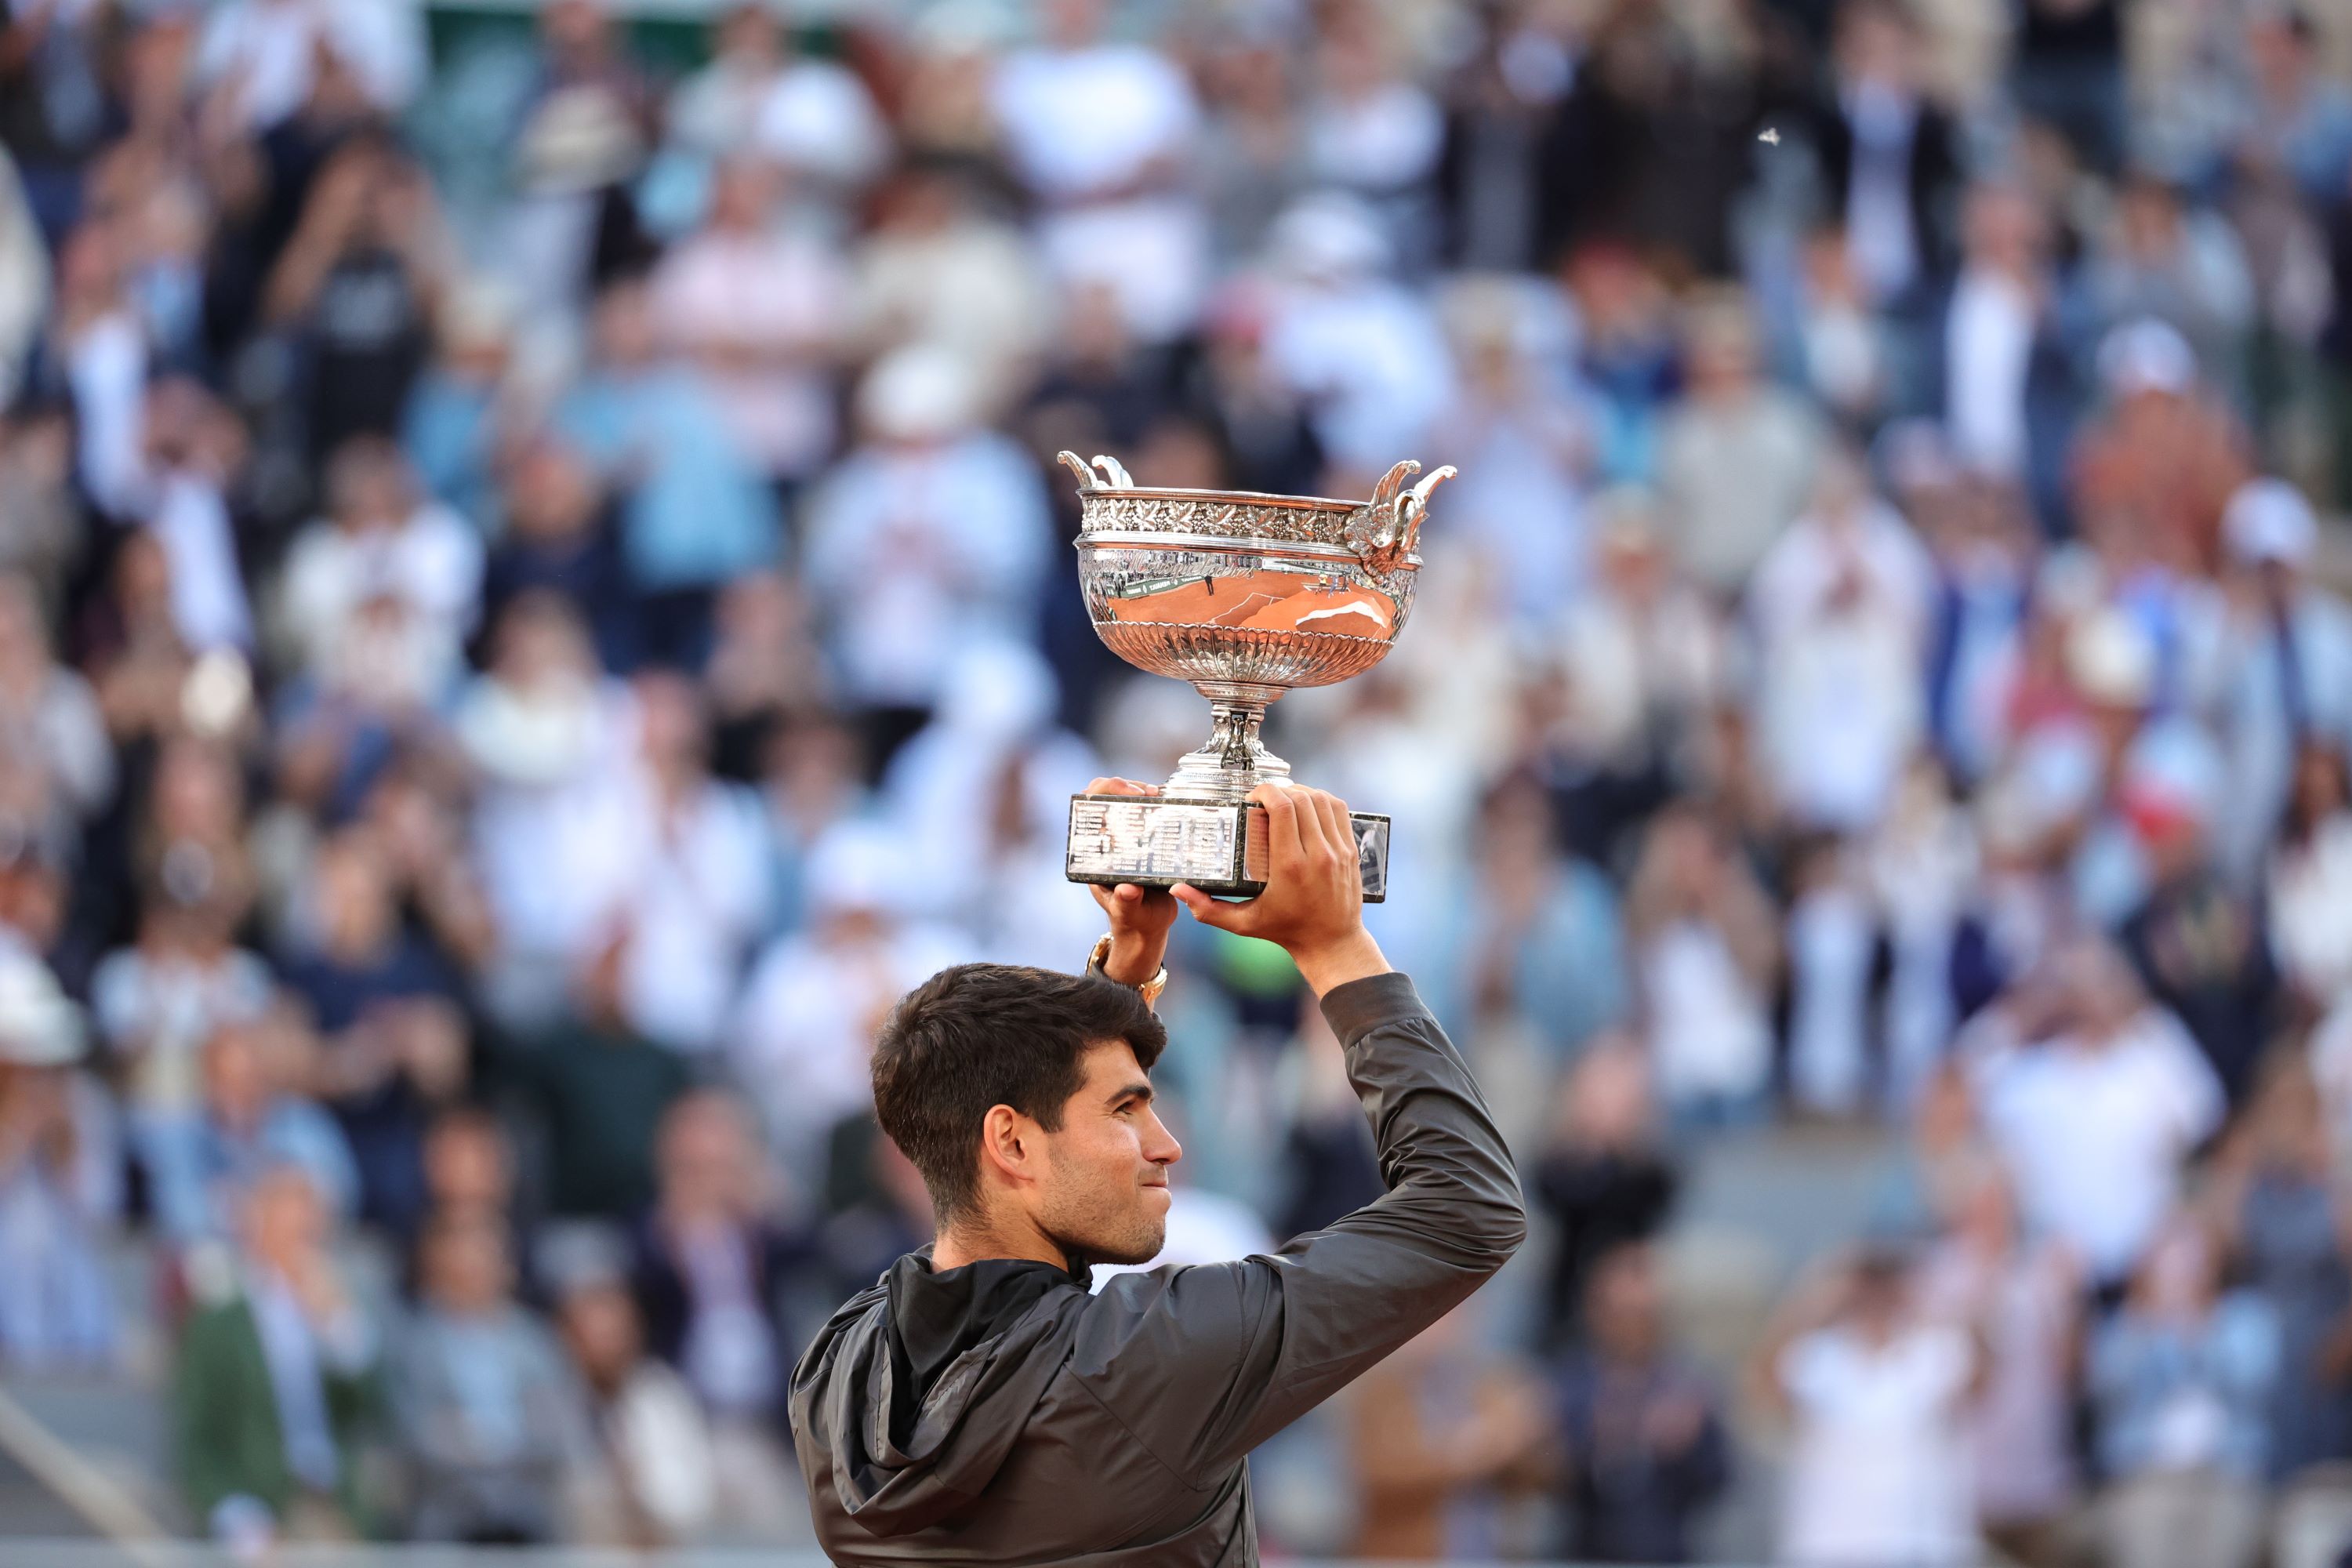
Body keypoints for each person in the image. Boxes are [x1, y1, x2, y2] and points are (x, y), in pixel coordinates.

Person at [789, 780, 1525, 1564]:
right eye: (1128, 1109)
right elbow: (1469, 1207)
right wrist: (1335, 944)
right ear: (1009, 1142)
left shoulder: (834, 1372)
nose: (1169, 1142)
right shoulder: (1155, 1356)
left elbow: (1004, 1287)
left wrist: (1122, 989)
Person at [172, 1164, 383, 1548]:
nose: (297, 1239)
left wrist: (337, 1326)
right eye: (284, 1222)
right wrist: (237, 1519)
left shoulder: (336, 1312)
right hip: (261, 1507)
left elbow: (371, 1409)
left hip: (334, 1505)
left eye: (306, 1226)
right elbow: (199, 1439)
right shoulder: (219, 1320)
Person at [1550, 1242, 1732, 1564]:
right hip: (1586, 1551)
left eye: (1644, 1317)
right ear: (1598, 1312)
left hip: (1665, 1554)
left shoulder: (1689, 1384)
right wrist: (1613, 1430)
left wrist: (1689, 1442)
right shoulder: (1571, 1379)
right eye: (1623, 1315)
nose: (1633, 1329)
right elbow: (1549, 1471)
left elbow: (1719, 1479)